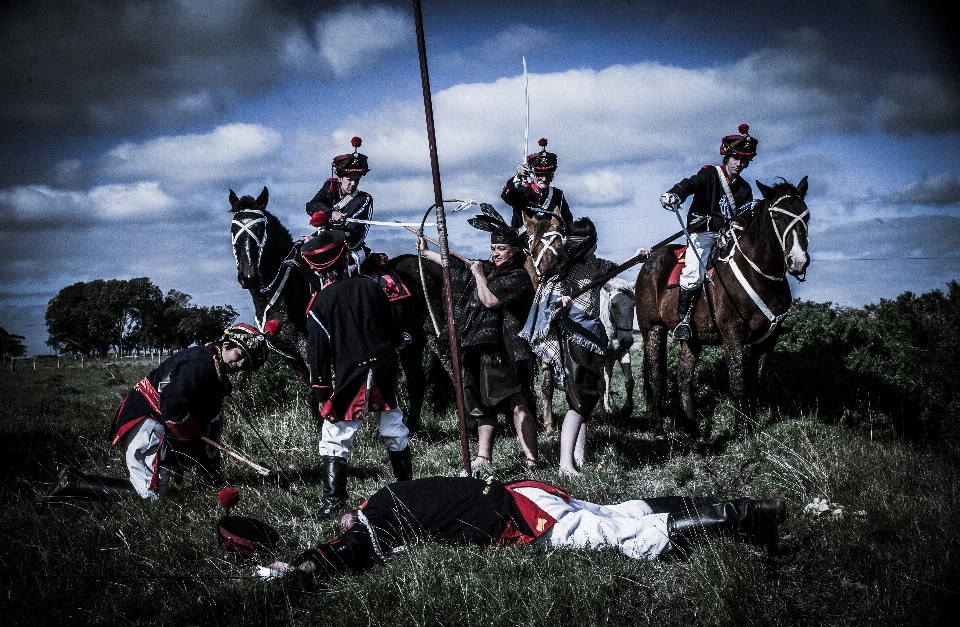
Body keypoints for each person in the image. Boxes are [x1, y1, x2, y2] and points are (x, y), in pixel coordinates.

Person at [263, 475, 786, 578]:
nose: (345, 520)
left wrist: (294, 570)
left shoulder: (378, 516)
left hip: (528, 516)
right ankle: (741, 503)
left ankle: (752, 517)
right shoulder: (388, 493)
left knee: (626, 537)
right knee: (620, 512)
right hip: (526, 491)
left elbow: (344, 550)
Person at [44, 323, 274, 502]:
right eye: (240, 355)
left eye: (248, 362)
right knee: (151, 497)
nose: (241, 363)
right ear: (226, 345)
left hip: (159, 420)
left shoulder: (214, 363)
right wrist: (192, 434)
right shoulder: (201, 364)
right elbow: (172, 407)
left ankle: (208, 477)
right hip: (149, 420)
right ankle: (74, 483)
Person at [300, 228, 413, 521]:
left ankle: (332, 502)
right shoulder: (371, 286)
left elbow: (319, 358)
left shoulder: (318, 305)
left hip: (353, 375)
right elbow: (393, 329)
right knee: (393, 428)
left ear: (316, 268)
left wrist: (322, 394)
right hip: (384, 369)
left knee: (335, 436)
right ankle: (407, 491)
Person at [521, 218, 649, 475]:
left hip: (593, 337)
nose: (597, 246)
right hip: (574, 338)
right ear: (586, 244)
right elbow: (550, 303)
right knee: (578, 402)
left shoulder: (598, 265)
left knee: (585, 401)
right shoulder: (562, 270)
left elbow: (617, 269)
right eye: (594, 243)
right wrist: (562, 302)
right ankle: (565, 464)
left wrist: (636, 257)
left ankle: (579, 458)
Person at [416, 214, 538, 470]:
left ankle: (532, 458)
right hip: (476, 349)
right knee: (483, 406)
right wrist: (427, 252)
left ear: (515, 251)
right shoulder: (488, 269)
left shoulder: (518, 278)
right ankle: (484, 457)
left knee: (516, 403)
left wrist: (480, 275)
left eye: (501, 249)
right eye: (493, 248)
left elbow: (490, 300)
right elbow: (455, 266)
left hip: (505, 352)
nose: (496, 253)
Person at [660, 123, 759, 341]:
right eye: (736, 158)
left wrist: (739, 223)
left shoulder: (745, 189)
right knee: (694, 273)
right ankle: (683, 321)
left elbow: (746, 213)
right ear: (727, 156)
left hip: (730, 238)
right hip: (703, 234)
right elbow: (689, 184)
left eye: (744, 160)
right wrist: (675, 194)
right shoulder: (710, 174)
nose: (740, 164)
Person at [305, 136, 374, 269]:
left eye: (357, 180)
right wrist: (330, 213)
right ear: (340, 177)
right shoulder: (329, 187)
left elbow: (350, 233)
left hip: (347, 247)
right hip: (322, 241)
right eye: (349, 179)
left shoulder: (364, 200)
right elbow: (311, 205)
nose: (353, 184)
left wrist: (316, 241)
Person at [501, 138, 573, 232]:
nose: (544, 179)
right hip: (523, 242)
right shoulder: (523, 191)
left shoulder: (558, 195)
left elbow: (568, 221)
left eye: (548, 175)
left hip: (549, 242)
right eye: (539, 174)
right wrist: (519, 176)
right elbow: (506, 195)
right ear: (532, 174)